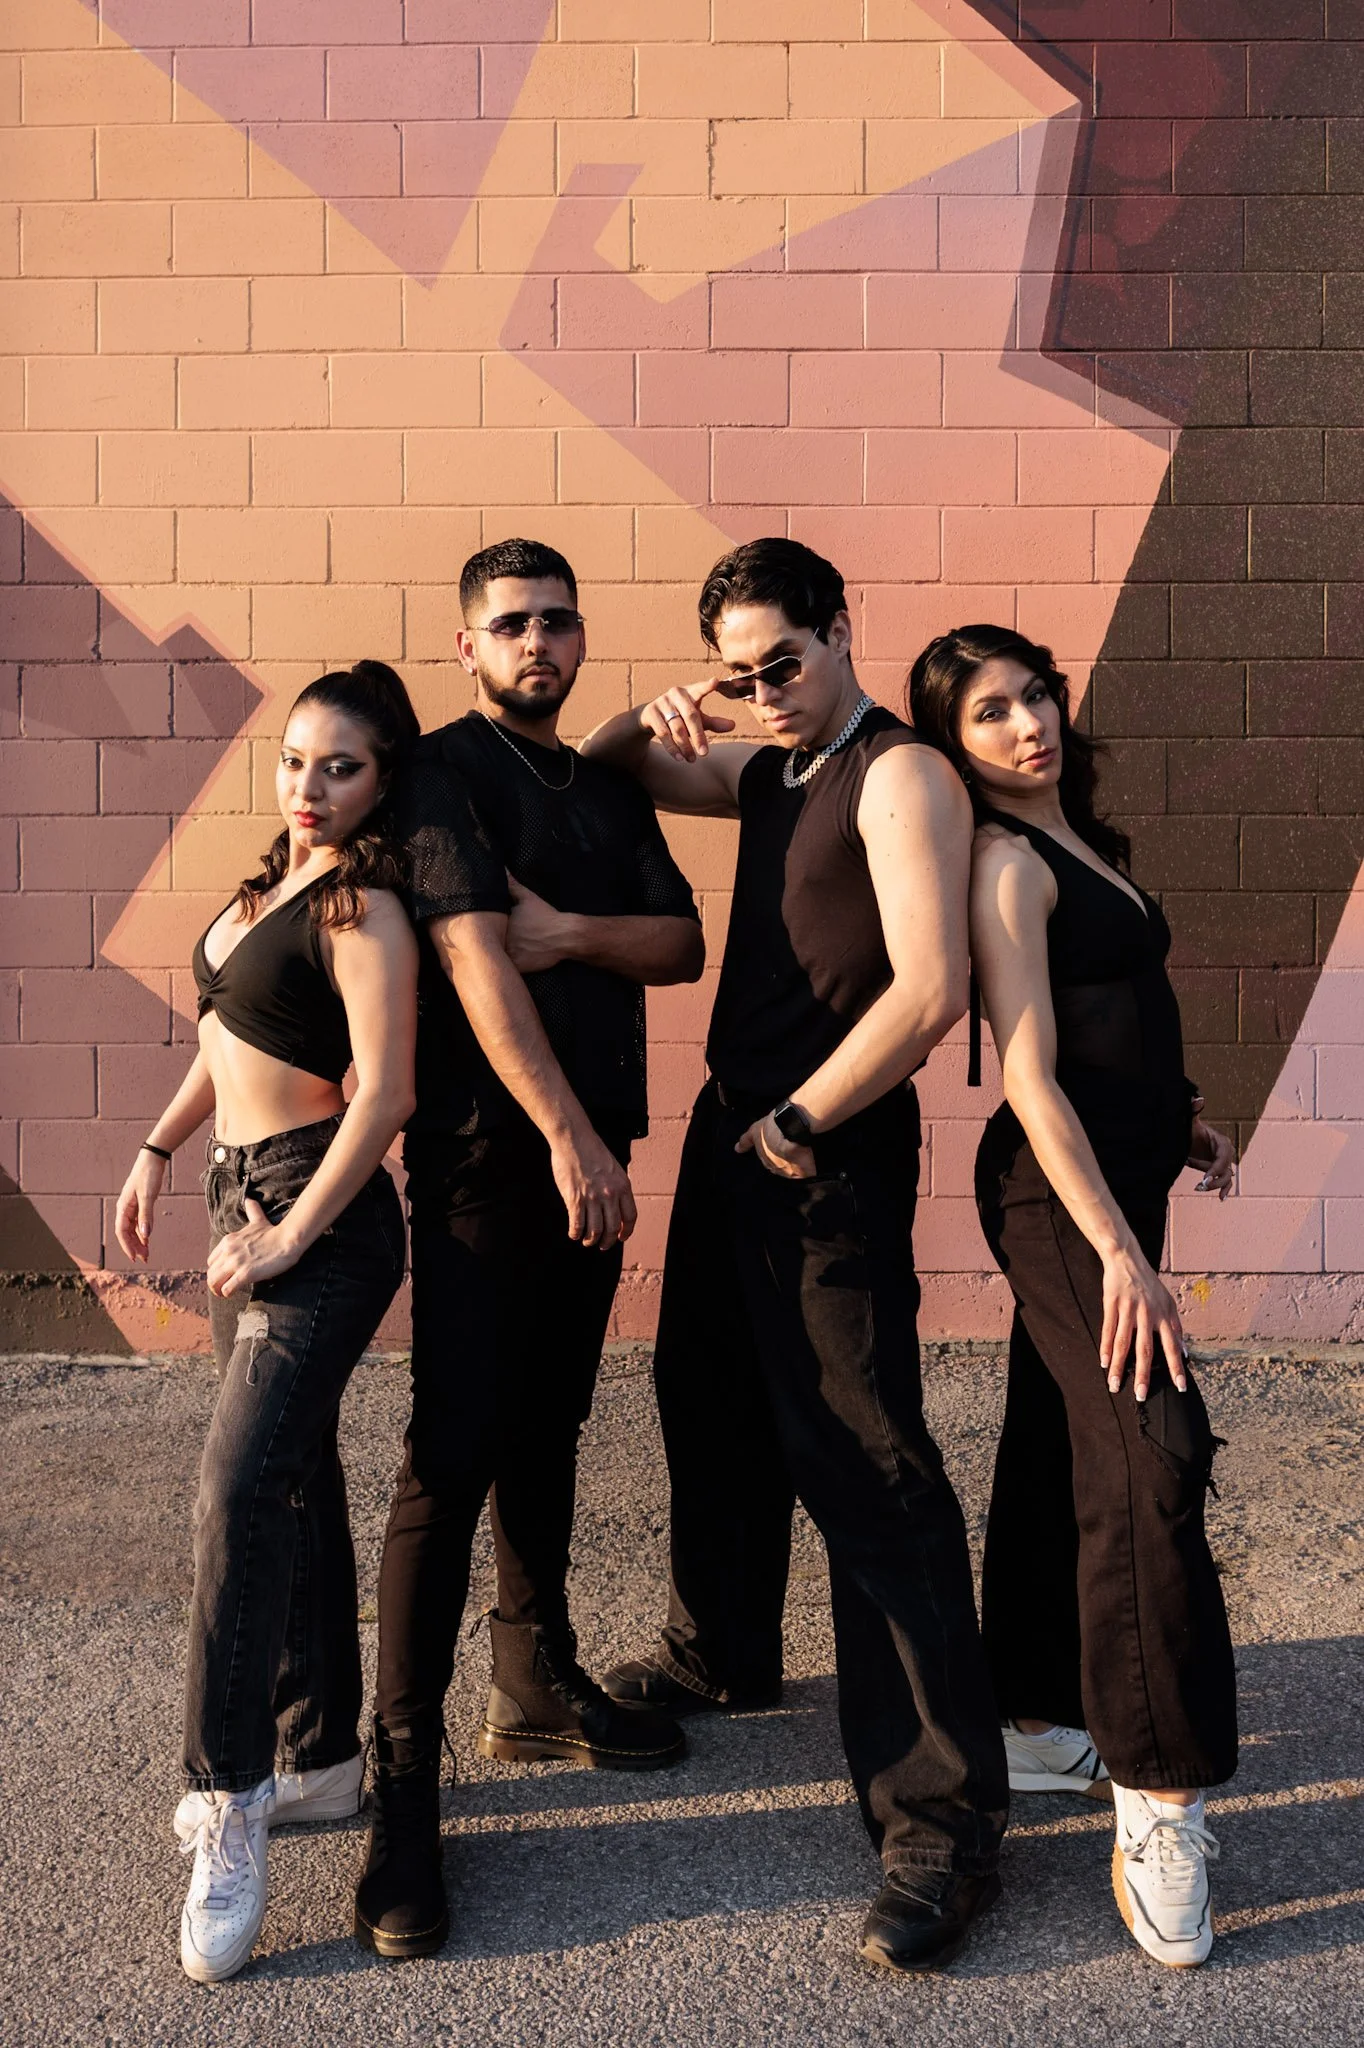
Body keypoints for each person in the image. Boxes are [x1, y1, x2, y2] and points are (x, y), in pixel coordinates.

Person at [581, 538, 1009, 1975]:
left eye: (786, 660)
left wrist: (800, 1119)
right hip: (737, 1133)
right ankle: (725, 1648)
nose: (767, 691)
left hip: (818, 1149)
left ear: (842, 630)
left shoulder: (900, 777)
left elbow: (933, 986)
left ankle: (941, 1818)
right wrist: (670, 703)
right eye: (742, 669)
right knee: (703, 1396)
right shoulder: (770, 766)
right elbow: (609, 764)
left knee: (868, 1461)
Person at [355, 538, 705, 1961]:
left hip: (594, 1149)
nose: (539, 644)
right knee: (452, 1445)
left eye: (559, 623)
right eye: (511, 625)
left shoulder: (605, 783)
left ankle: (535, 1679)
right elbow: (473, 959)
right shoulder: (445, 774)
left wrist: (573, 928)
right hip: (495, 1160)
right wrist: (564, 1131)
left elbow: (680, 943)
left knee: (552, 1419)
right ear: (467, 645)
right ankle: (402, 1786)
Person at [907, 624, 1238, 1970]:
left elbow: (1124, 1020)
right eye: (989, 714)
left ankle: (1035, 1711)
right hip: (1062, 1202)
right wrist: (1118, 1251)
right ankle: (1156, 1799)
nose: (1028, 723)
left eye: (1035, 695)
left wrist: (1185, 1118)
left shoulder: (1079, 834)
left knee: (1063, 1433)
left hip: (1126, 1174)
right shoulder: (1004, 864)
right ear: (955, 745)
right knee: (1152, 1453)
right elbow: (1033, 1079)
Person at [114, 663, 421, 1985]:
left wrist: (292, 1235)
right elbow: (223, 1038)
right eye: (297, 760)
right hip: (244, 1194)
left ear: (383, 782)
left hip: (321, 1220)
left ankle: (230, 1795)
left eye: (339, 767)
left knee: (235, 1492)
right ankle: (326, 1755)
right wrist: (155, 1147)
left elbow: (387, 1093)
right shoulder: (264, 896)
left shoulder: (365, 909)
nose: (308, 786)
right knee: (294, 1481)